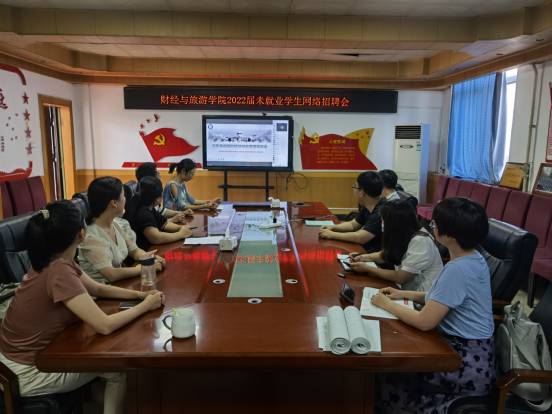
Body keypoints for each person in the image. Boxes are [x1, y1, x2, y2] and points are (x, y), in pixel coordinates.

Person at [0, 200, 165, 414]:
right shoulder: (59, 270)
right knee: (119, 369)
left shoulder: (55, 260)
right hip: (27, 372)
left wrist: (141, 296)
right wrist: (146, 306)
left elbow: (98, 288)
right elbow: (104, 325)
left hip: (14, 360)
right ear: (81, 233)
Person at [371, 197, 496, 413]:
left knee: (387, 373)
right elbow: (437, 297)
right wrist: (402, 294)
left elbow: (424, 322)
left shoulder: (456, 269)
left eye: (435, 223)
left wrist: (386, 304)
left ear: (448, 235)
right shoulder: (474, 258)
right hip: (477, 356)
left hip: (463, 362)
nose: (432, 226)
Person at [79, 177, 166, 285]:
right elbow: (111, 274)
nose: (125, 199)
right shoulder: (90, 236)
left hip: (119, 284)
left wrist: (150, 258)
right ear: (114, 203)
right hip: (102, 291)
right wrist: (146, 268)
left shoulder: (116, 224)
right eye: (123, 196)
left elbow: (135, 251)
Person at [348, 199, 442, 292]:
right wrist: (362, 258)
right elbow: (387, 254)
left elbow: (401, 278)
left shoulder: (420, 241)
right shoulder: (403, 233)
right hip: (404, 290)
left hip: (422, 296)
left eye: (383, 220)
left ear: (394, 222)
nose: (382, 224)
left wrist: (367, 268)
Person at [319, 171, 387, 253]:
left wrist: (331, 234)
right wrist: (332, 227)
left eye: (355, 188)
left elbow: (360, 238)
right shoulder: (370, 204)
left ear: (362, 193)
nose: (354, 191)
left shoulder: (382, 211)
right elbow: (353, 225)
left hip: (375, 255)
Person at [124, 176, 194, 251]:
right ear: (157, 198)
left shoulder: (150, 208)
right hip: (143, 253)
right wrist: (180, 234)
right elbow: (156, 238)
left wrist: (181, 228)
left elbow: (164, 225)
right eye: (162, 194)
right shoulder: (143, 213)